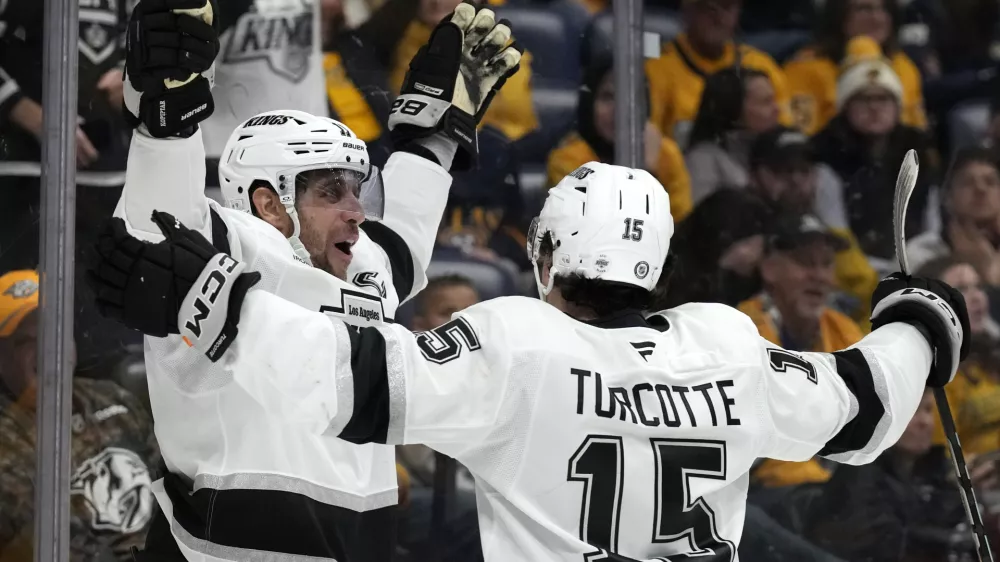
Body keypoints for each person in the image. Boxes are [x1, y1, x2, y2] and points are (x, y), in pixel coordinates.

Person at [94, 160, 970, 561]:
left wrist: (214, 303)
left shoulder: (519, 341)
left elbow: (354, 379)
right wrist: (923, 323)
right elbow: (862, 401)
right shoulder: (727, 345)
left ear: (548, 255)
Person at [98, 1, 521, 560]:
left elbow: (403, 246)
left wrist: (434, 142)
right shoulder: (226, 250)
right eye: (330, 192)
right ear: (268, 203)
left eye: (354, 189)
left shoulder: (360, 263)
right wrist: (164, 122)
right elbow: (151, 235)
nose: (356, 211)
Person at [0, 270, 159, 562]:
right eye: (26, 341)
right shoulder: (6, 441)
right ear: (3, 357)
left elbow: (168, 488)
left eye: (55, 332)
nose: (48, 348)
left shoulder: (113, 398)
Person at [738, 213, 862, 488]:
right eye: (805, 263)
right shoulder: (741, 330)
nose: (818, 276)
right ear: (769, 269)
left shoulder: (843, 330)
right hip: (758, 486)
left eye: (826, 264)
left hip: (826, 485)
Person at [810, 52, 936, 268]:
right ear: (846, 107)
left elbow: (932, 221)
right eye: (864, 99)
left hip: (915, 262)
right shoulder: (825, 154)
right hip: (848, 266)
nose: (874, 108)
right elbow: (833, 225)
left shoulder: (919, 150)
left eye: (883, 99)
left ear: (897, 107)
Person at [547, 55, 692, 220]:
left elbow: (683, 233)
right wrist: (646, 173)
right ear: (589, 104)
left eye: (631, 100)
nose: (619, 111)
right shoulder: (567, 160)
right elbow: (609, 233)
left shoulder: (666, 154)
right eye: (607, 97)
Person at [644, 0, 792, 146]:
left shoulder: (761, 65)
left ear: (738, 10)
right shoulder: (658, 69)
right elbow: (649, 142)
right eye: (708, 8)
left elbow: (788, 135)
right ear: (687, 11)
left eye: (726, 7)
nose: (718, 18)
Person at [783, 1, 927, 135]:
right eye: (864, 9)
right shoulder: (806, 68)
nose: (877, 18)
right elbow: (800, 135)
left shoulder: (903, 65)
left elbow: (918, 131)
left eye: (884, 9)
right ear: (839, 16)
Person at [683, 67, 780, 205]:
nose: (777, 109)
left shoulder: (777, 153)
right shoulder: (702, 161)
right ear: (735, 110)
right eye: (765, 102)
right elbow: (701, 220)